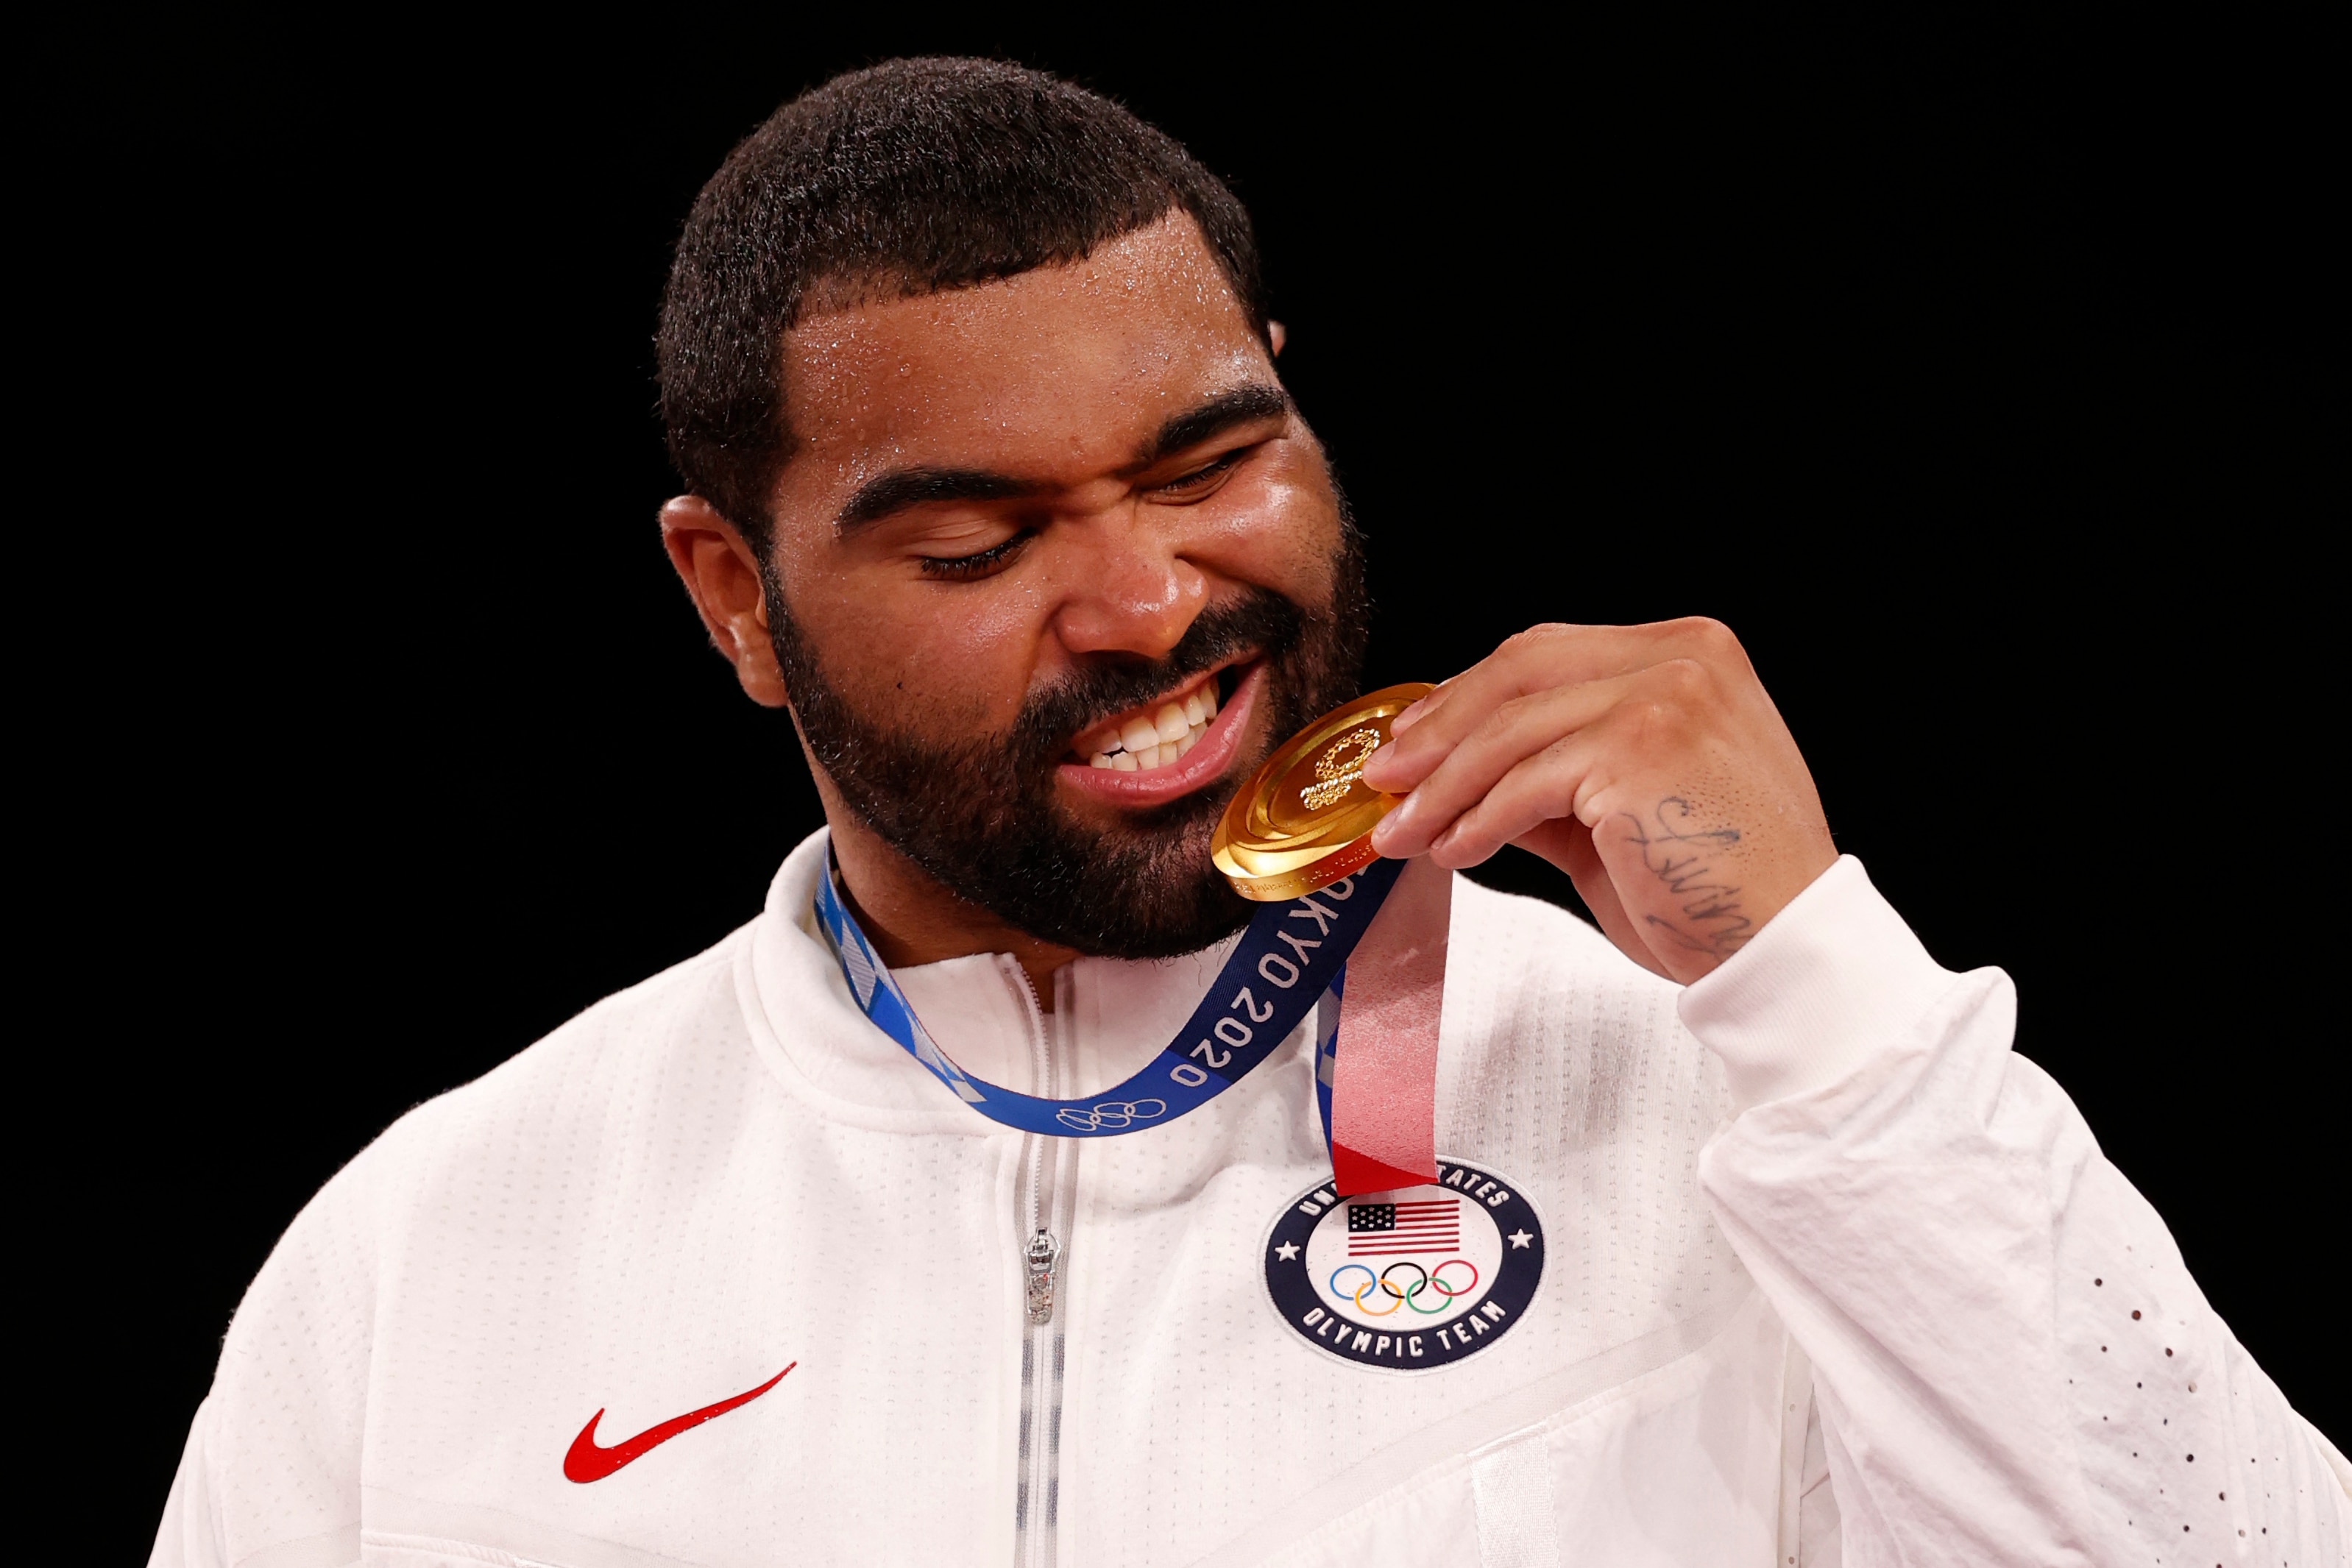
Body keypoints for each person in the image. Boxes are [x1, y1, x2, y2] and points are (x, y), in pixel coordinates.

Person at [152, 57, 2348, 1568]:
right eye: (974, 538)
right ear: (733, 595)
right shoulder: (433, 1256)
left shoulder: (1733, 1110)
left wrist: (1814, 991)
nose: (1147, 599)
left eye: (1211, 464)